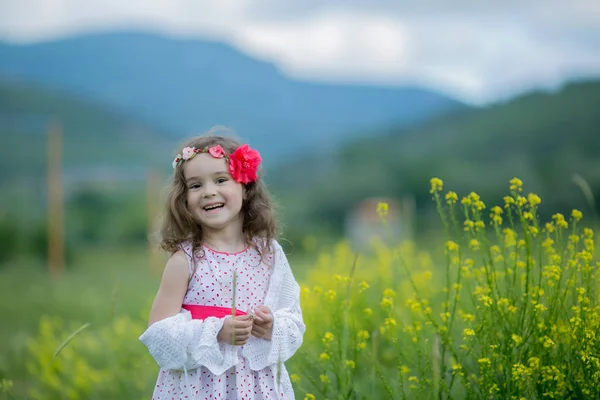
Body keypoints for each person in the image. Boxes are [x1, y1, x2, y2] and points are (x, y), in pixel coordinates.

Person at [139, 133, 305, 399]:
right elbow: (159, 336)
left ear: (245, 186)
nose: (208, 192)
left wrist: (272, 325)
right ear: (183, 200)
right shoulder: (185, 260)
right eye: (195, 186)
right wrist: (216, 332)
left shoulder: (270, 254)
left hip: (258, 388)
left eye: (220, 180)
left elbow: (294, 322)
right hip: (198, 387)